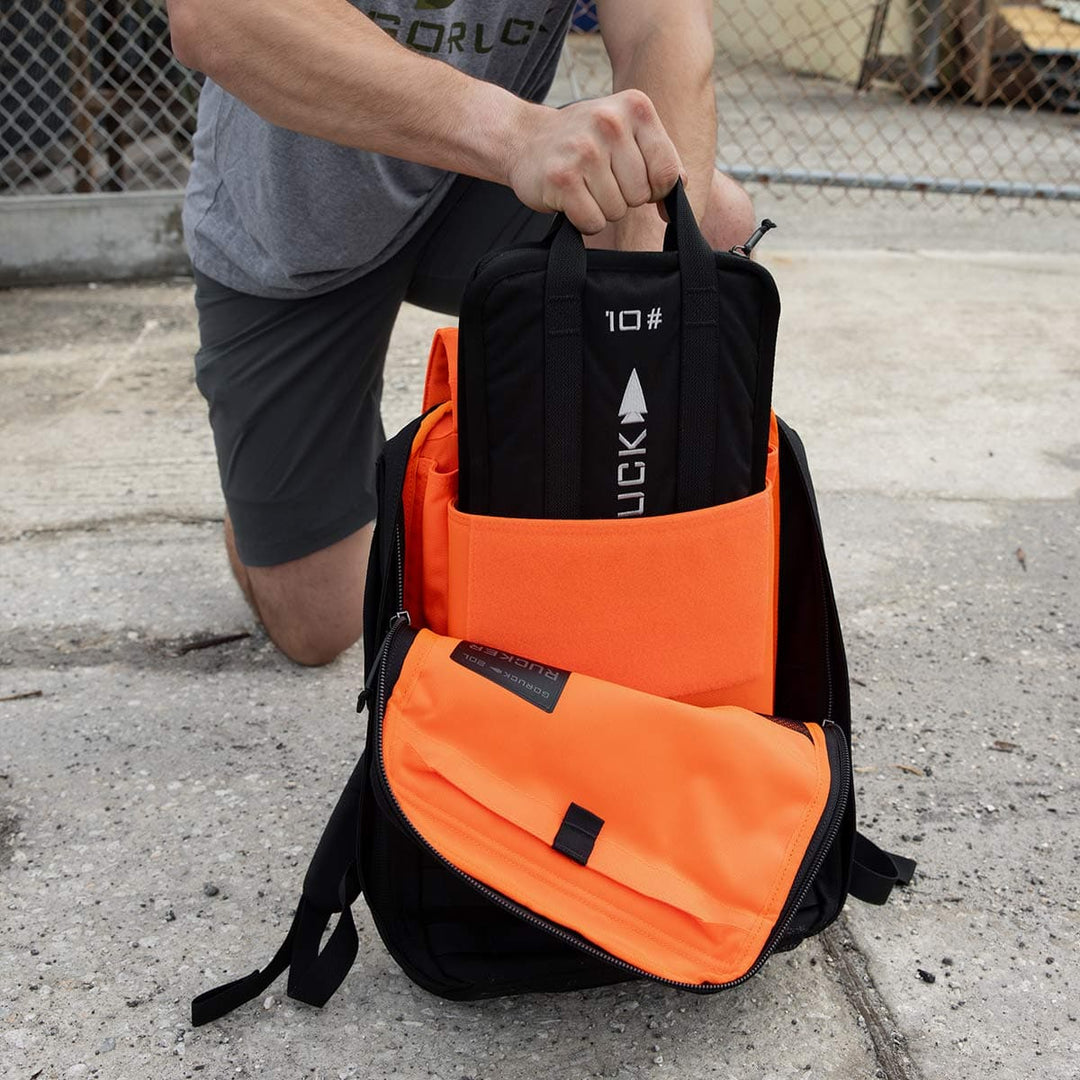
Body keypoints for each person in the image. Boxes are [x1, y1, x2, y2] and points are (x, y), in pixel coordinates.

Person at [166, 0, 755, 665]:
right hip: (294, 222)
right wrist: (514, 135)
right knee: (320, 624)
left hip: (469, 182)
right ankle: (267, 513)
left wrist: (641, 316)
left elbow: (661, 27)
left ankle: (569, 510)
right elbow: (215, 15)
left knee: (707, 224)